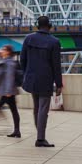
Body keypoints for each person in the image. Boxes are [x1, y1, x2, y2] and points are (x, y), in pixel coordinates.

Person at [20, 16, 62, 147]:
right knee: (43, 108)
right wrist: (59, 84)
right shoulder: (54, 42)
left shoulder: (29, 38)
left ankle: (40, 134)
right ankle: (40, 139)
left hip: (32, 79)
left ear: (37, 26)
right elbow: (56, 65)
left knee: (37, 107)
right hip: (46, 79)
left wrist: (27, 73)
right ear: (50, 25)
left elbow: (22, 59)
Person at [0, 44, 21, 137]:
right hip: (7, 91)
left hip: (7, 91)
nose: (1, 51)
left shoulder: (9, 63)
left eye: (3, 50)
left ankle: (7, 127)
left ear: (8, 52)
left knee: (0, 107)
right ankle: (16, 131)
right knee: (13, 110)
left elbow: (10, 77)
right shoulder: (5, 61)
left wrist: (8, 91)